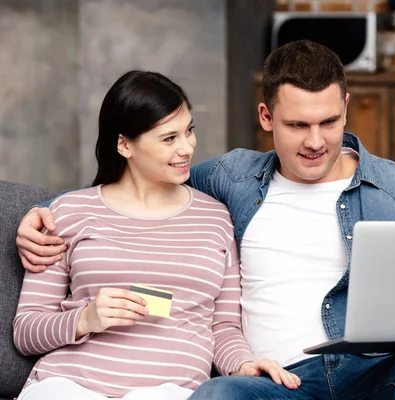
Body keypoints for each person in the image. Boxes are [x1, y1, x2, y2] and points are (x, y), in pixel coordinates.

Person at [17, 41, 395, 399]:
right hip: (275, 381)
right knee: (218, 394)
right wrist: (38, 213)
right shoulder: (228, 181)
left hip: (377, 369)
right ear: (266, 117)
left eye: (328, 122)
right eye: (297, 125)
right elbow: (134, 188)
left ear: (345, 107)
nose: (316, 141)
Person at [12, 70, 299, 400]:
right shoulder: (66, 212)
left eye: (189, 131)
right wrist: (85, 318)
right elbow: (26, 330)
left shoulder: (215, 219)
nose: (187, 148)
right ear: (124, 145)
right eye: (168, 138)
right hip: (67, 385)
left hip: (168, 392)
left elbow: (223, 329)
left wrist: (244, 367)